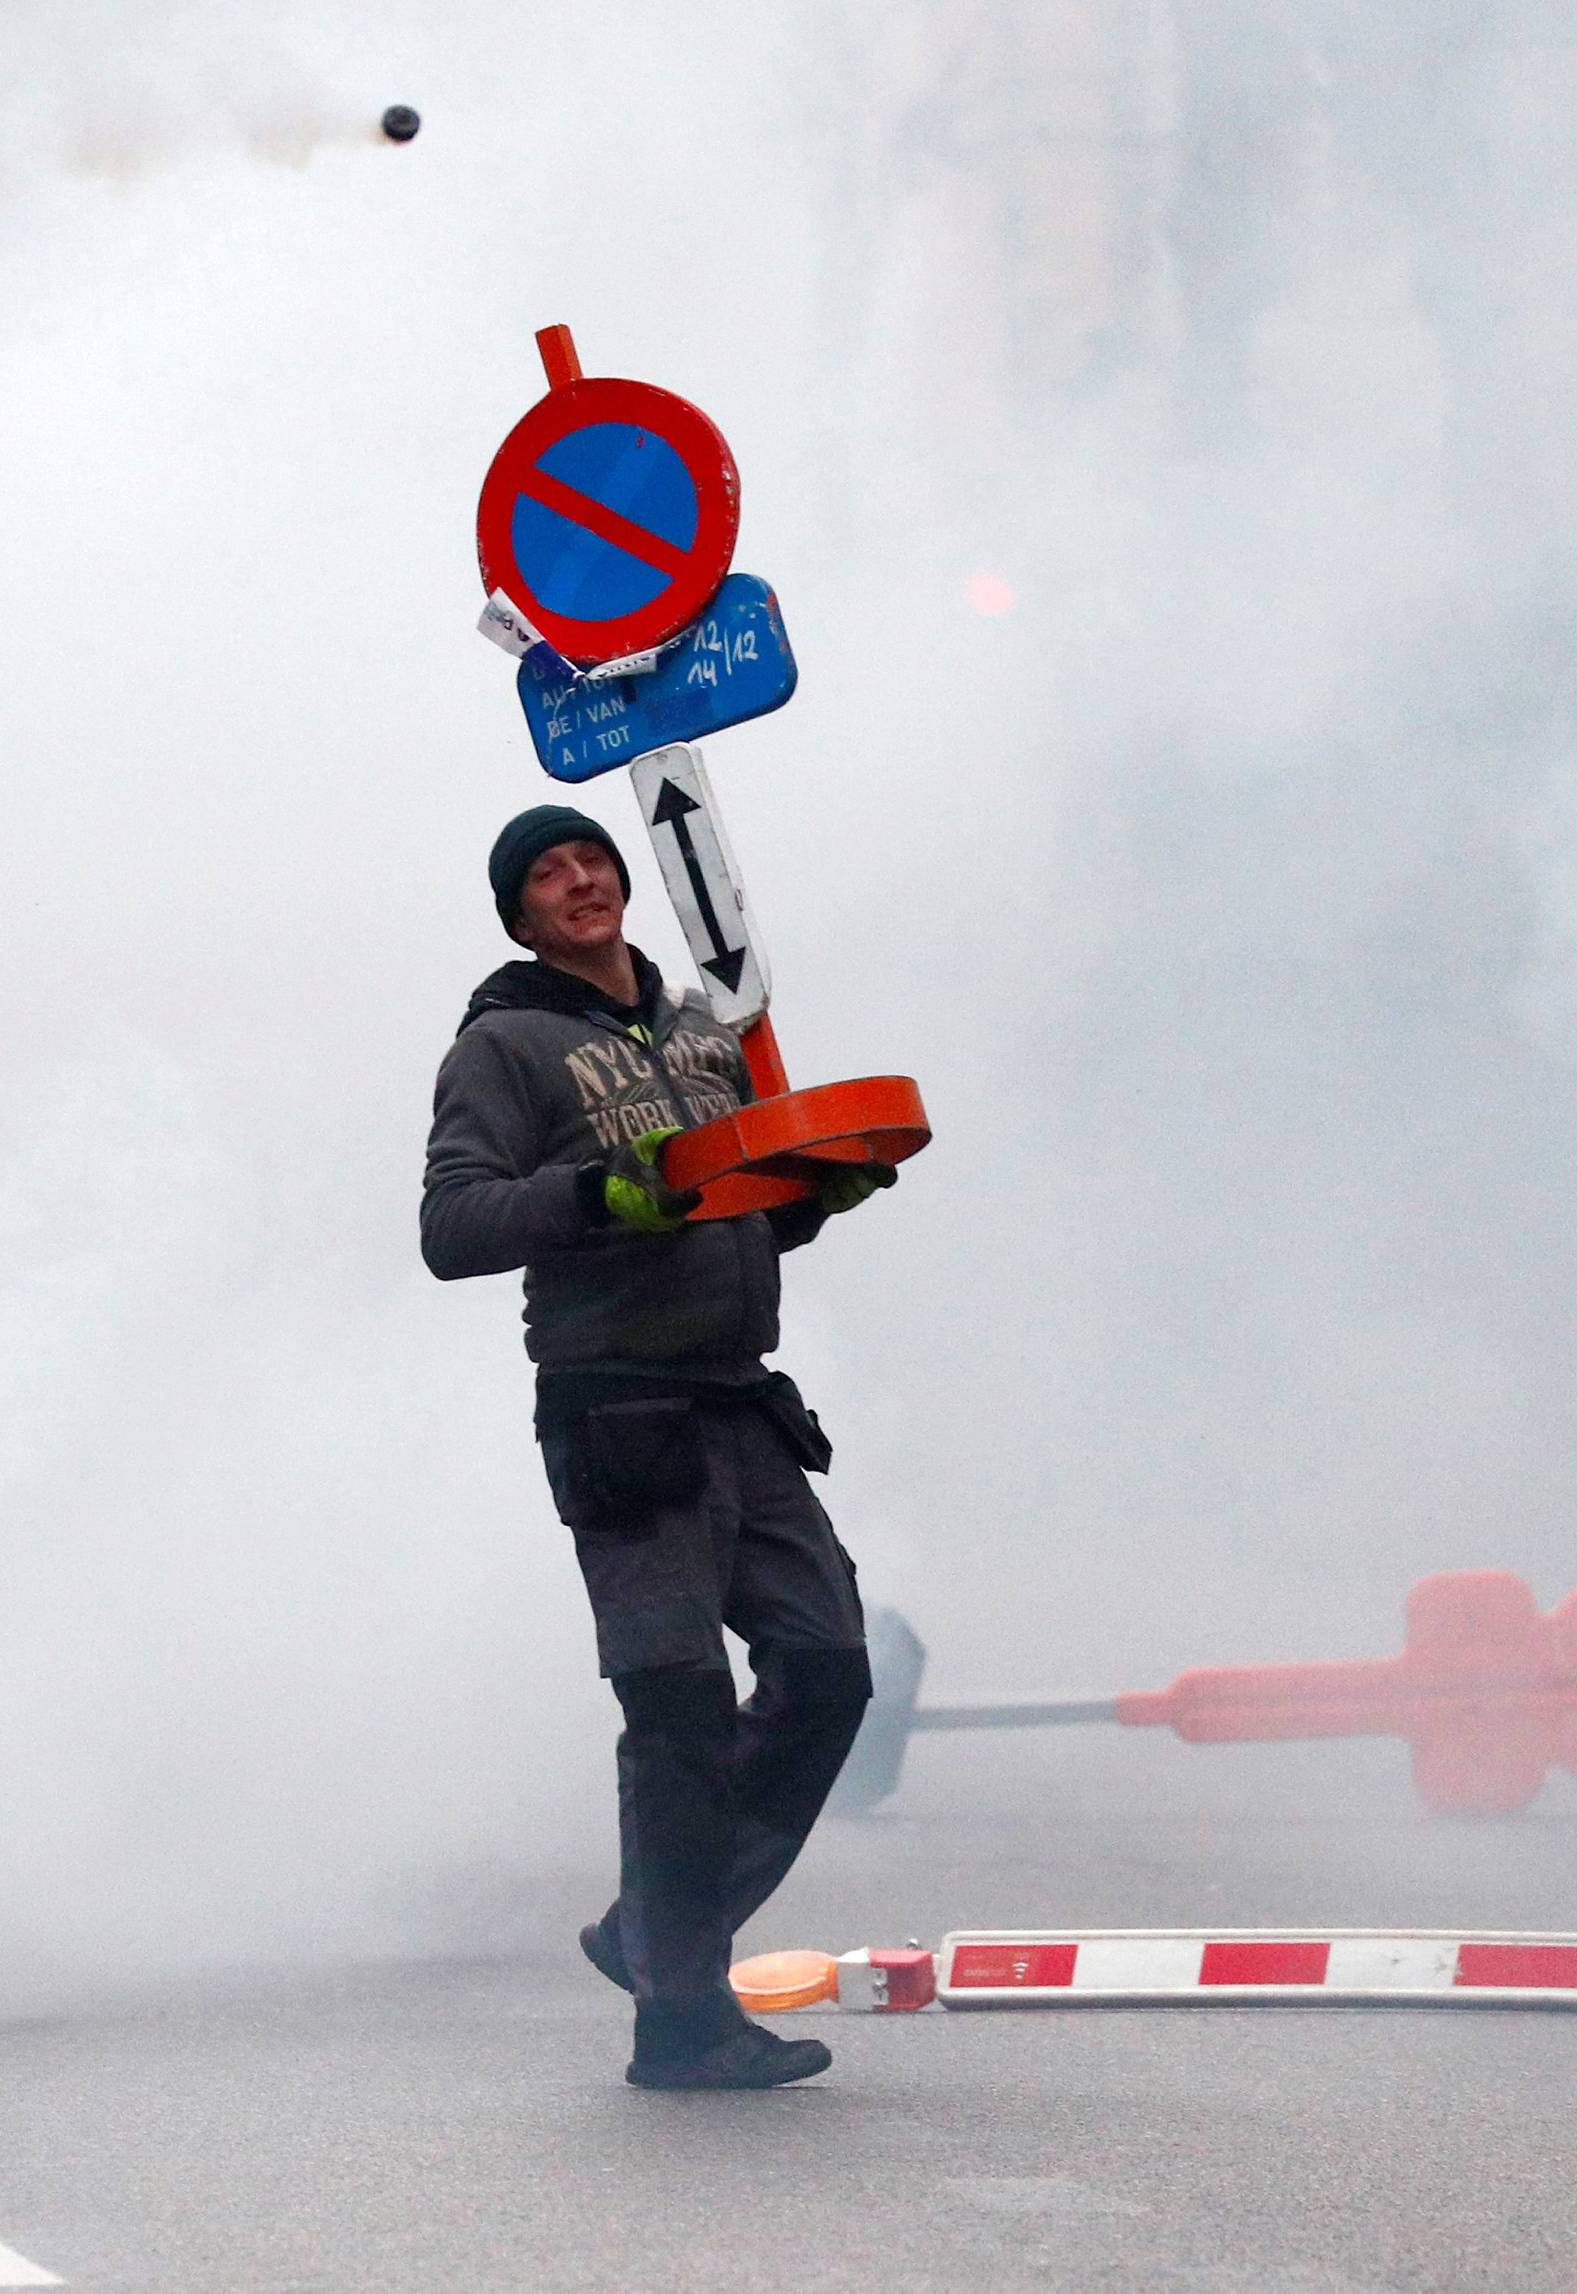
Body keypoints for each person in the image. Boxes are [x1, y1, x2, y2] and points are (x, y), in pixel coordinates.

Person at [421, 803, 896, 2090]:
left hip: (742, 1401)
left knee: (830, 1666)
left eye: (592, 859)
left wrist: (812, 1192)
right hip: (618, 1408)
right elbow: (453, 1225)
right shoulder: (503, 1045)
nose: (578, 878)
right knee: (677, 1700)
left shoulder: (706, 1030)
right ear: (519, 914)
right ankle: (680, 2018)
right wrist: (605, 1192)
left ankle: (653, 1930)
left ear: (625, 882)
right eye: (545, 873)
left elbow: (737, 1216)